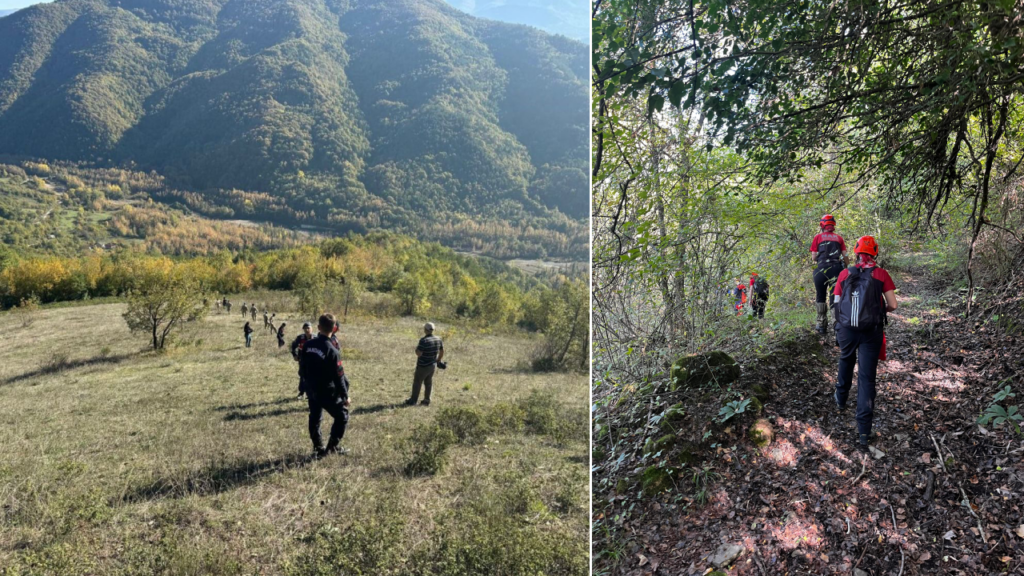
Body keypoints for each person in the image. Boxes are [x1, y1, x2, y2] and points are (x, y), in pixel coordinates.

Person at [833, 236, 897, 451]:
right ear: (875, 252)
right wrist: (878, 311)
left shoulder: (845, 273)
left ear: (856, 251)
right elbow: (893, 305)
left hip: (846, 330)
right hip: (871, 331)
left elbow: (836, 302)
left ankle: (841, 400)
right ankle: (863, 430)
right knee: (867, 378)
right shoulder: (881, 274)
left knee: (846, 358)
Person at [300, 314, 350, 458]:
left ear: (318, 328)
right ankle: (331, 448)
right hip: (326, 391)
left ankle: (318, 447)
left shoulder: (308, 345)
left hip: (311, 389)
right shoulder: (332, 351)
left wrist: (306, 384)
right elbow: (339, 376)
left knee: (314, 417)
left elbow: (302, 367)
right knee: (342, 416)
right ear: (334, 328)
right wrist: (345, 396)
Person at [810, 214, 848, 334]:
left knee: (820, 296)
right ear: (833, 225)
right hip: (836, 270)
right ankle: (837, 325)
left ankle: (821, 325)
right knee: (835, 297)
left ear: (822, 225)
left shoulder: (818, 237)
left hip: (821, 270)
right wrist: (845, 264)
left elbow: (814, 257)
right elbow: (845, 256)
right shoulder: (839, 238)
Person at [406, 322, 444, 406]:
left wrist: (416, 349)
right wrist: (438, 360)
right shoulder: (438, 339)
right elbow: (441, 351)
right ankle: (427, 400)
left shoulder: (424, 340)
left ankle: (413, 400)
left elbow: (419, 353)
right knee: (428, 382)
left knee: (417, 382)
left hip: (423, 366)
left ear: (425, 330)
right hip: (432, 365)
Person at [291, 322, 315, 398]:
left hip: (313, 361)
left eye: (308, 328)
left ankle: (311, 393)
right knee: (303, 376)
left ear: (312, 329)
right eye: (305, 329)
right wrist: (295, 355)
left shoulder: (316, 337)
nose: (307, 330)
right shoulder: (300, 338)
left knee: (313, 376)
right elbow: (293, 346)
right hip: (303, 360)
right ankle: (302, 392)